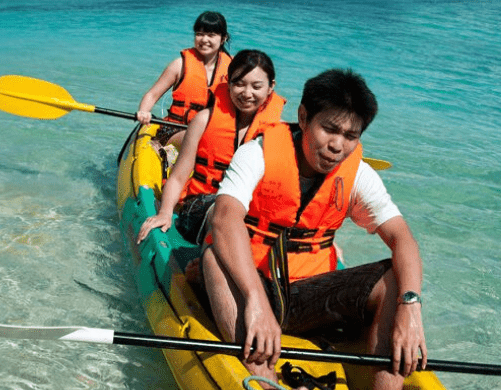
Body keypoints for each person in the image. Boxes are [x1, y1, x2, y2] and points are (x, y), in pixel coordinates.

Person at [200, 69, 427, 389]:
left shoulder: (358, 174)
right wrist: (256, 301)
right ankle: (264, 380)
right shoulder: (257, 153)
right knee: (213, 257)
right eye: (329, 129)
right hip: (253, 284)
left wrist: (410, 306)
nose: (338, 145)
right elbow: (224, 218)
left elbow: (402, 239)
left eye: (351, 136)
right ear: (304, 117)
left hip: (312, 294)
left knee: (394, 277)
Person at [137, 49, 286, 245]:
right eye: (239, 84)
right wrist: (165, 213)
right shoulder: (204, 120)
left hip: (246, 214)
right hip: (201, 207)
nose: (247, 93)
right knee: (226, 212)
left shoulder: (279, 132)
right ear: (228, 83)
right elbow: (179, 176)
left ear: (270, 87)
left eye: (256, 86)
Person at [136, 11, 231, 148]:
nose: (204, 39)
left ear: (223, 38)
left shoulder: (233, 69)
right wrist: (144, 111)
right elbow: (152, 94)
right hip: (174, 130)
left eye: (211, 35)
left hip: (212, 132)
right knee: (198, 138)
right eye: (199, 34)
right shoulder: (179, 65)